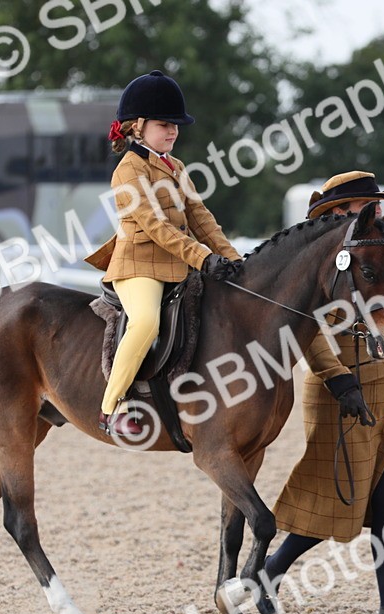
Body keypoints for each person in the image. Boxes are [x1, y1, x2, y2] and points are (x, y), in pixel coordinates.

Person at [266, 172, 384, 614]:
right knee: (336, 496)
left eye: (370, 208)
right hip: (343, 393)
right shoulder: (316, 269)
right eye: (359, 209)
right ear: (334, 214)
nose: (368, 216)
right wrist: (338, 380)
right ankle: (267, 572)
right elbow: (307, 338)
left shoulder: (377, 258)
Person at [85, 70, 242, 436]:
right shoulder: (128, 171)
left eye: (175, 125)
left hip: (177, 264)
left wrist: (234, 260)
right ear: (137, 127)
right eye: (163, 124)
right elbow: (157, 228)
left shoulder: (176, 166)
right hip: (139, 266)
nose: (172, 131)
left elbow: (201, 218)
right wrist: (203, 258)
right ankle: (111, 406)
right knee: (146, 323)